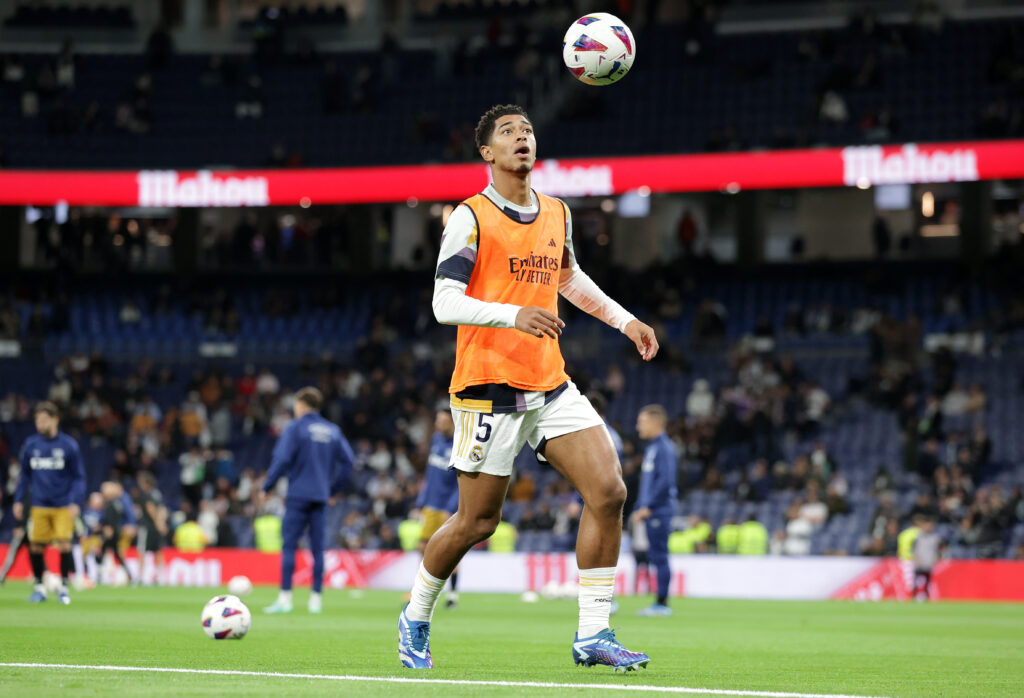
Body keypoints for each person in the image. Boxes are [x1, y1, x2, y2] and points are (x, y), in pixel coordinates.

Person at [398, 104, 659, 672]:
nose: (523, 139)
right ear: (487, 153)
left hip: (550, 380)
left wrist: (625, 320)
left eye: (529, 132)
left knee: (609, 491)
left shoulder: (558, 212)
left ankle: (593, 633)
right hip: (489, 385)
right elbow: (445, 302)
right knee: (478, 522)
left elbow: (568, 280)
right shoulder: (469, 217)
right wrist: (513, 315)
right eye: (509, 133)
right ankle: (415, 615)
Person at [262, 386, 354, 615]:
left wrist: (267, 486)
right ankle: (315, 600)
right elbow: (348, 463)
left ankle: (285, 599)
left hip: (297, 496)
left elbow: (281, 459)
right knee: (318, 550)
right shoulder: (332, 431)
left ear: (301, 404)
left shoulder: (295, 427)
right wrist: (332, 490)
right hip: (321, 497)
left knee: (289, 546)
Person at [13, 401, 85, 604]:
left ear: (55, 419)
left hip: (62, 505)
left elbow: (79, 477)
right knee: (35, 546)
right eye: (37, 420)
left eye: (44, 420)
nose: (40, 424)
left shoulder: (69, 445)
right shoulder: (31, 445)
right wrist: (19, 500)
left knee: (64, 544)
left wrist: (75, 501)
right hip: (39, 504)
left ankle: (63, 587)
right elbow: (24, 476)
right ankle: (39, 587)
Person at [630, 404, 678, 617]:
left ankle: (662, 603)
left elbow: (666, 482)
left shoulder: (664, 448)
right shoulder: (653, 448)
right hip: (651, 510)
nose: (638, 426)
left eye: (642, 421)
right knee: (655, 555)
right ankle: (659, 601)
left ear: (656, 423)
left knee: (659, 556)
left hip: (658, 511)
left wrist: (648, 507)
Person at [415, 407, 460, 608]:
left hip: (445, 508)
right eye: (437, 420)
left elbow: (461, 481)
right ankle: (423, 592)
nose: (438, 423)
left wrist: (450, 507)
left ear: (452, 421)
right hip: (430, 505)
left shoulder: (460, 444)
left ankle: (452, 595)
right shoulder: (436, 439)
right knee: (423, 547)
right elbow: (429, 474)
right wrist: (421, 501)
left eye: (442, 420)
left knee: (450, 551)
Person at [136, 471, 169, 585]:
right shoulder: (157, 493)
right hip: (156, 527)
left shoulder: (146, 494)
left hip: (147, 526)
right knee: (158, 550)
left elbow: (151, 509)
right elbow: (162, 509)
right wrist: (162, 523)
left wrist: (157, 523)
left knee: (142, 550)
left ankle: (140, 577)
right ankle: (161, 577)